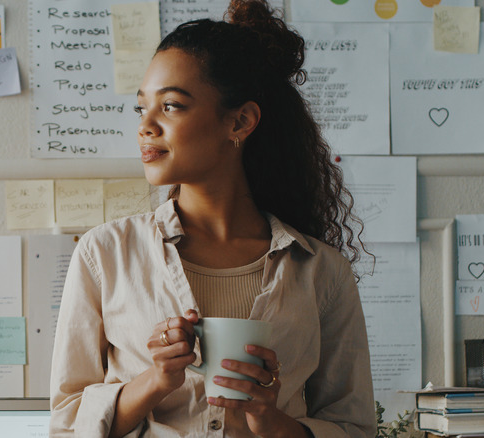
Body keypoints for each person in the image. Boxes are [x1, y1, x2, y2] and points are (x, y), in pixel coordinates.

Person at [49, 0, 376, 436]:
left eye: (171, 106)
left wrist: (270, 420)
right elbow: (66, 424)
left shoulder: (322, 271)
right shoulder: (103, 254)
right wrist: (155, 380)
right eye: (141, 107)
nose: (145, 125)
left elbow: (353, 428)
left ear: (239, 121)